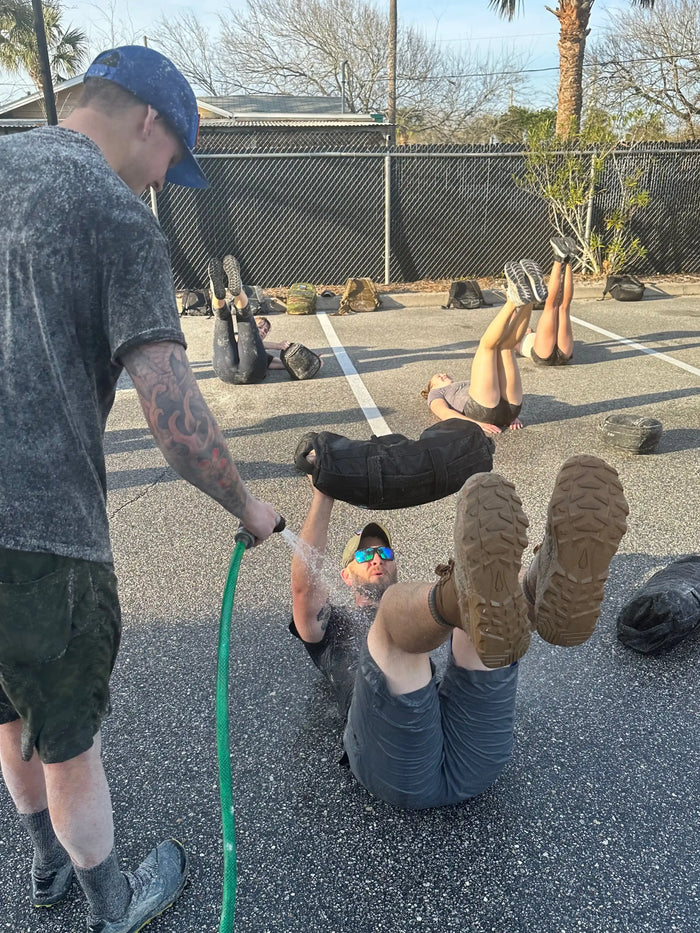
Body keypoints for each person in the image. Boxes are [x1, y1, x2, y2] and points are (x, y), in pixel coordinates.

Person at [0, 45, 280, 933]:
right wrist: (246, 505)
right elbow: (174, 412)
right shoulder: (114, 216)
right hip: (42, 534)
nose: (165, 181)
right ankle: (112, 904)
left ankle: (43, 864)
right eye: (173, 160)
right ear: (147, 121)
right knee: (70, 741)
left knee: (6, 715)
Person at [290, 455, 629, 809]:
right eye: (364, 556)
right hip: (394, 766)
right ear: (345, 576)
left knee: (480, 613)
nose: (377, 559)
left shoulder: (417, 615)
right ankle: (484, 593)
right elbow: (304, 588)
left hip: (472, 752)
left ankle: (537, 582)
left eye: (384, 552)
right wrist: (322, 494)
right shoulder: (330, 624)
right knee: (409, 610)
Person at [422, 259, 547, 435]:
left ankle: (529, 301)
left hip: (510, 410)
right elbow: (446, 414)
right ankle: (512, 300)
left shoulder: (468, 384)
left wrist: (511, 416)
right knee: (487, 347)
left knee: (506, 348)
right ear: (430, 387)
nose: (443, 374)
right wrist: (474, 424)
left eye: (441, 374)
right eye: (437, 376)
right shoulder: (435, 394)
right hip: (480, 411)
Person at [207, 256, 320, 382]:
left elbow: (284, 365)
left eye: (265, 331)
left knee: (223, 319)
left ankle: (219, 292)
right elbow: (243, 341)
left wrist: (312, 363)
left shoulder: (263, 355)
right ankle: (235, 291)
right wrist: (277, 346)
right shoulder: (255, 348)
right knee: (243, 319)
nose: (262, 331)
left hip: (226, 373)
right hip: (244, 371)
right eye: (260, 327)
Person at [518, 236, 579, 366]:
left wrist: (523, 332)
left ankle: (567, 260)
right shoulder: (519, 337)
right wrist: (522, 332)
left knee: (563, 307)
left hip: (554, 353)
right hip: (542, 350)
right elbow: (512, 343)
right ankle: (561, 259)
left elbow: (512, 344)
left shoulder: (520, 337)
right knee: (553, 307)